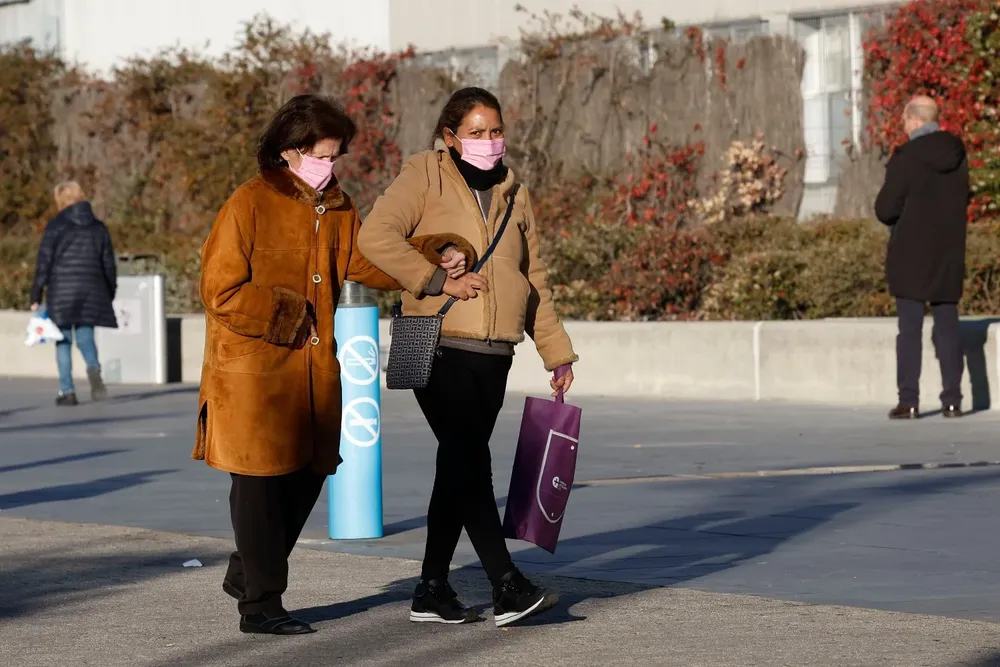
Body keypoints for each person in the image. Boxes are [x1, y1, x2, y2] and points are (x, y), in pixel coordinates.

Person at [193, 94, 475, 636]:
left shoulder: (339, 207)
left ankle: (250, 570)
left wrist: (435, 253)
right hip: (252, 376)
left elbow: (365, 260)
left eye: (335, 156)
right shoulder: (248, 202)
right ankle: (262, 605)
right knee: (257, 486)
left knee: (310, 472)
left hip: (315, 372)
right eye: (322, 155)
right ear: (288, 151)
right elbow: (219, 289)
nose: (331, 165)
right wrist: (289, 312)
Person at [359, 87, 579, 628]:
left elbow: (534, 278)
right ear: (451, 136)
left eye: (496, 131)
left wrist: (555, 351)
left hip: (494, 349)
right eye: (476, 133)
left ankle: (432, 589)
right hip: (433, 340)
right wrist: (437, 278)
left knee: (457, 465)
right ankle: (506, 584)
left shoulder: (514, 190)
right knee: (468, 459)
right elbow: (375, 236)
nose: (489, 142)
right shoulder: (424, 175)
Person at [875, 95, 969, 420]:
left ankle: (909, 401)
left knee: (910, 330)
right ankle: (953, 400)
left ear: (914, 120)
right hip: (948, 252)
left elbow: (886, 208)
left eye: (903, 121)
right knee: (947, 327)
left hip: (911, 253)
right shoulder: (958, 154)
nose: (903, 127)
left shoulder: (905, 158)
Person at [29, 181, 116, 406]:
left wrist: (36, 294)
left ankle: (67, 391)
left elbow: (44, 262)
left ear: (61, 200)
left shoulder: (56, 226)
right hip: (91, 290)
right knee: (86, 336)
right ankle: (94, 369)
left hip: (61, 292)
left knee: (63, 341)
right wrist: (109, 291)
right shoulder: (98, 227)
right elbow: (108, 263)